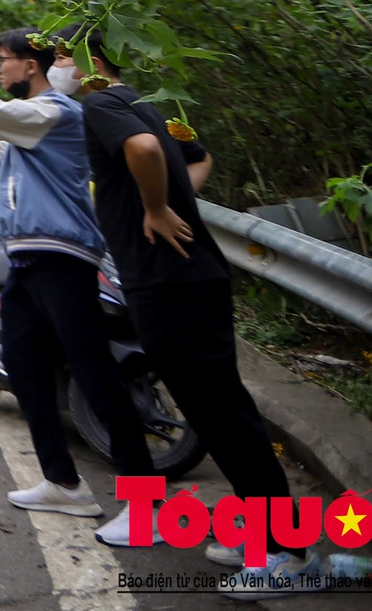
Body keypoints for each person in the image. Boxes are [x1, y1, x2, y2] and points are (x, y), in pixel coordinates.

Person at [74, 39, 296, 561]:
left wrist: (155, 207)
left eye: (64, 57)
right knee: (219, 409)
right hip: (190, 279)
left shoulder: (102, 102)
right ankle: (267, 534)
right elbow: (199, 156)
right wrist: (172, 197)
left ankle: (285, 550)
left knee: (221, 413)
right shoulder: (148, 103)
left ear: (94, 61)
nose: (60, 68)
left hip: (167, 283)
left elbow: (147, 151)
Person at [0, 34, 152, 526]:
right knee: (24, 367)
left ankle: (147, 507)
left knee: (94, 372)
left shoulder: (54, 113)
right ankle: (63, 484)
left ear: (29, 66)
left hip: (62, 258)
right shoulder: (27, 126)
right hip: (26, 260)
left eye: (3, 62)